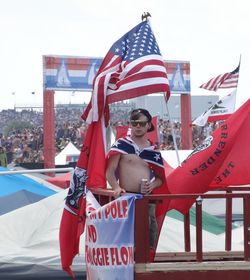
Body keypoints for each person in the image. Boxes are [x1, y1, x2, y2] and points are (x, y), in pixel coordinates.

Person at [106, 108, 165, 249]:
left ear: (149, 125)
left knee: (148, 242)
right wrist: (116, 187)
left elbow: (160, 178)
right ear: (130, 125)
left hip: (146, 201)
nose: (138, 126)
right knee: (125, 242)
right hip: (126, 199)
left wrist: (152, 186)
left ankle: (146, 267)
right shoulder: (121, 145)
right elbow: (109, 171)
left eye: (142, 123)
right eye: (134, 122)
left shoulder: (153, 149)